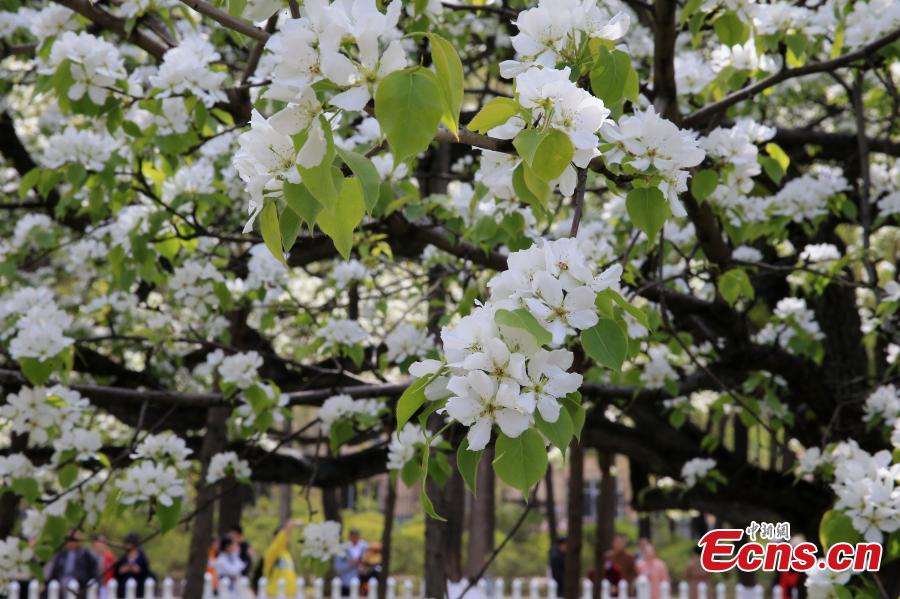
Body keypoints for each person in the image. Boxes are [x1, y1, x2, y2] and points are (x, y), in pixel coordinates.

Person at [46, 530, 99, 598]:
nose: (71, 542)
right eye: (69, 539)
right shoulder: (60, 555)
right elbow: (54, 573)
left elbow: (94, 573)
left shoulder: (86, 554)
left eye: (73, 539)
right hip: (61, 583)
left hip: (80, 584)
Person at [262, 520, 298, 598]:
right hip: (275, 594)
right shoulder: (271, 552)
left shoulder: (286, 554)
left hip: (289, 595)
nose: (287, 537)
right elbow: (278, 543)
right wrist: (287, 528)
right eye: (285, 535)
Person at [112, 533, 153, 598]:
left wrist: (139, 571)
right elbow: (115, 575)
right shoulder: (122, 559)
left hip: (138, 592)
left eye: (130, 545)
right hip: (123, 593)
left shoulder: (142, 560)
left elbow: (148, 575)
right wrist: (121, 570)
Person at [334, 528, 368, 595]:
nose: (354, 539)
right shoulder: (343, 548)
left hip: (362, 582)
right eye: (353, 536)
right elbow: (337, 566)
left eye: (356, 536)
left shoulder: (365, 547)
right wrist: (351, 563)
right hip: (346, 583)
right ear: (349, 537)